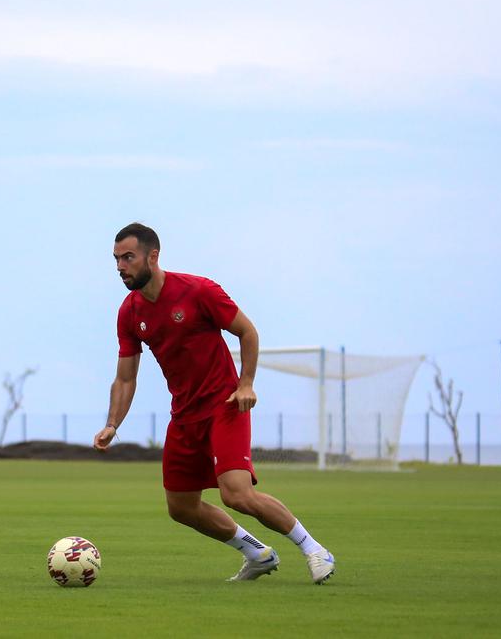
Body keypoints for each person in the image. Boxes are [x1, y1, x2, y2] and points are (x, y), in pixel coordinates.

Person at [94, 223, 335, 584]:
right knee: (181, 508)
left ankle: (315, 550)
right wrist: (113, 424)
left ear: (152, 256)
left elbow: (247, 331)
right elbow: (126, 376)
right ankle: (257, 553)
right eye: (116, 259)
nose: (120, 267)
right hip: (184, 416)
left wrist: (246, 384)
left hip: (225, 406)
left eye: (128, 257)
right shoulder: (129, 312)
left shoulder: (198, 291)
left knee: (236, 494)